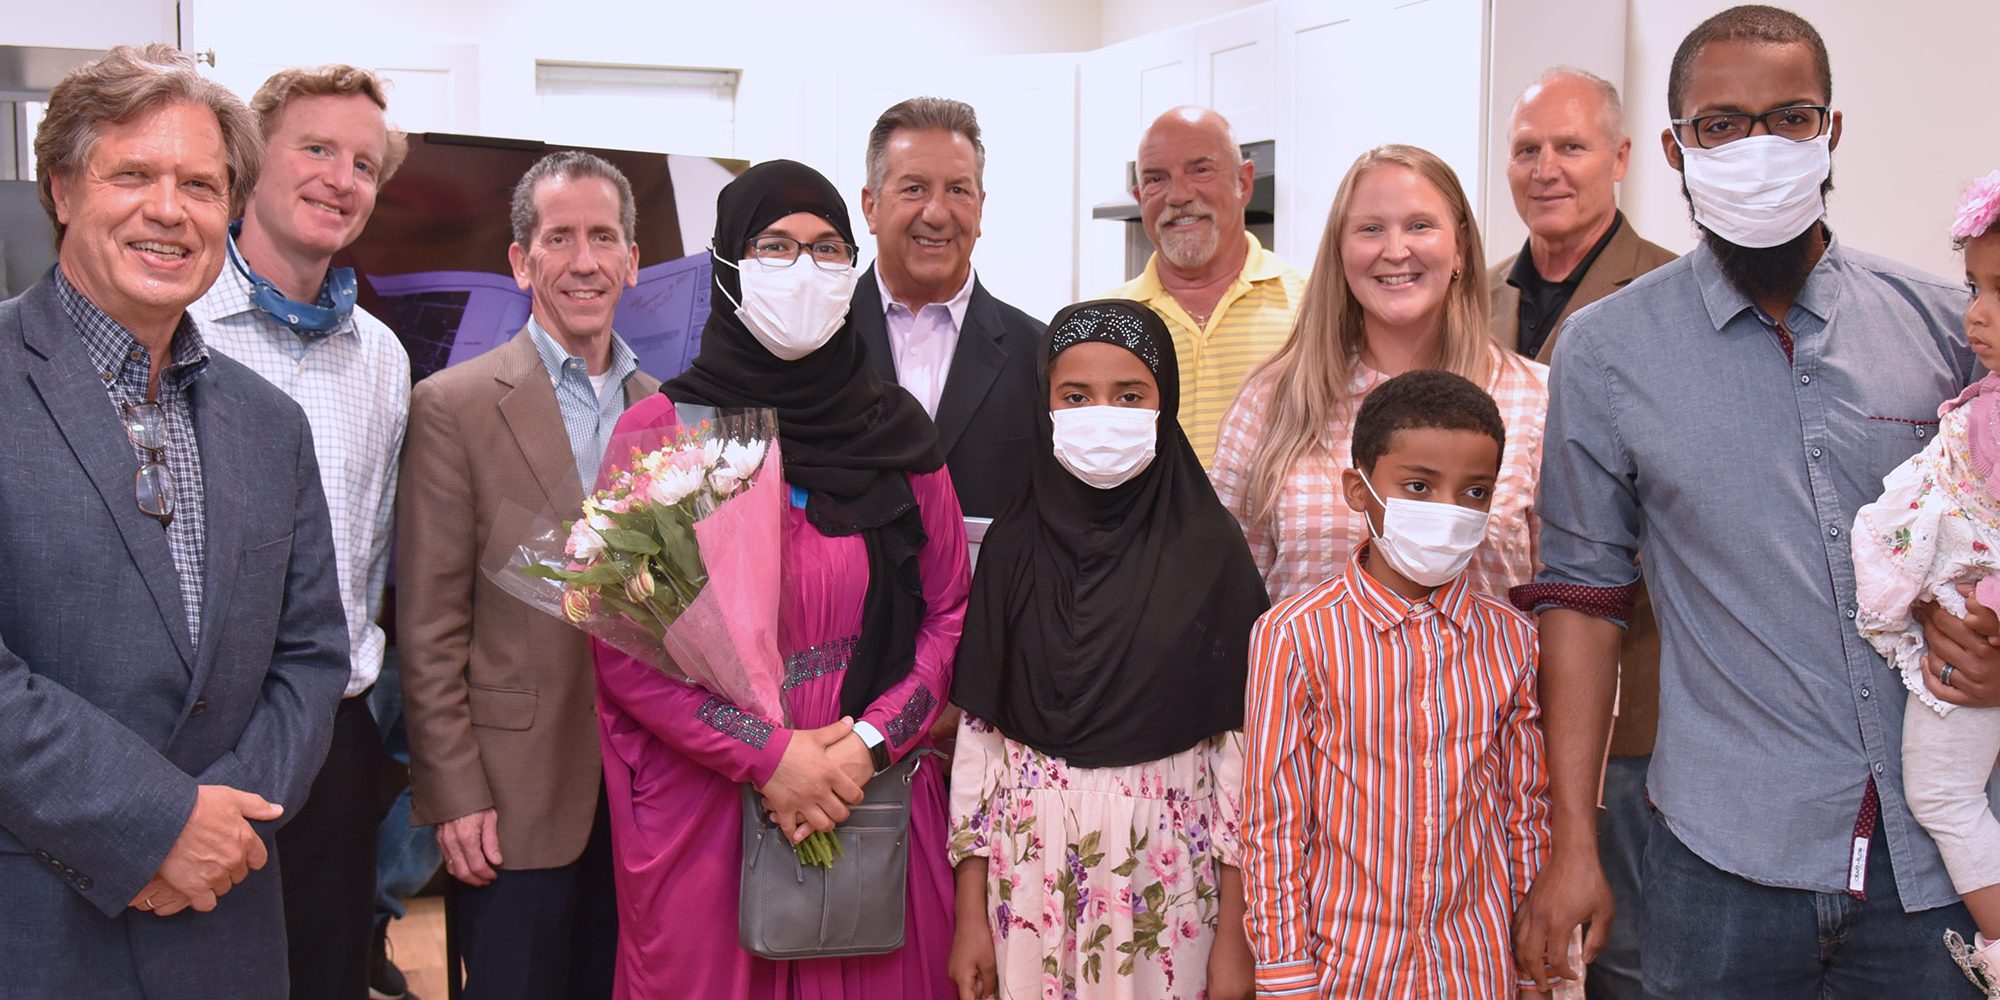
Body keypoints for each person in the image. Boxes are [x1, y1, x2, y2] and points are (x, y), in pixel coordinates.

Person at [1513, 8, 1990, 998]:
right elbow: (1580, 599)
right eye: (1722, 125)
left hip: (1934, 862)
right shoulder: (1606, 352)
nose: (1757, 147)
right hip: (1718, 860)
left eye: (1788, 117)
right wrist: (1571, 842)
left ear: (1832, 131)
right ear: (1673, 148)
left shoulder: (1942, 327)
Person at [0, 43, 349, 999]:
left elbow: (313, 653)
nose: (168, 209)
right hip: (34, 921)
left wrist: (225, 830)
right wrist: (155, 824)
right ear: (63, 190)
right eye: (133, 174)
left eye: (199, 183)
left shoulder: (270, 425)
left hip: (226, 918)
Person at [590, 158, 967, 998]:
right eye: (776, 246)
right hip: (710, 822)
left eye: (829, 249)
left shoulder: (898, 436)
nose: (806, 269)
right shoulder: (662, 434)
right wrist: (770, 757)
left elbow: (950, 612)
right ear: (727, 264)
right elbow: (625, 656)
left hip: (870, 804)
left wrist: (867, 745)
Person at [945, 298, 1269, 1000]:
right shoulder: (1011, 549)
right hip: (1028, 882)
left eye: (1129, 395)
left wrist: (1237, 937)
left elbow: (1243, 762)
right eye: (1075, 395)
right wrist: (970, 913)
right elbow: (979, 740)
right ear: (1044, 407)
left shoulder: (1212, 552)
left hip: (1169, 887)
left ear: (1166, 403)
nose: (1102, 412)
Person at [399, 150, 659, 999]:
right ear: (521, 260)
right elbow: (430, 626)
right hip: (511, 805)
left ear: (632, 259)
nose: (583, 261)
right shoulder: (454, 405)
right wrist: (454, 792)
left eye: (603, 237)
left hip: (645, 804)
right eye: (559, 238)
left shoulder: (667, 413)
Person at [186, 63, 410, 1000]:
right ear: (249, 165)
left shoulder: (385, 359)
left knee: (323, 975)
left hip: (334, 739)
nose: (339, 178)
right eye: (316, 148)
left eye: (363, 163)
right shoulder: (180, 322)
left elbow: (373, 554)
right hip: (196, 736)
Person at [1242, 370, 1549, 998]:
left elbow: (1525, 813)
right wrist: (1283, 971)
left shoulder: (1512, 639)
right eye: (1418, 486)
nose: (1448, 512)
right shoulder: (1294, 635)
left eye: (1474, 493)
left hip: (1475, 966)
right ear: (1359, 490)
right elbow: (1274, 820)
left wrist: (1529, 965)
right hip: (1342, 967)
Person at [1491, 66, 1675, 1000]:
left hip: (1627, 699)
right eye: (1528, 148)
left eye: (1571, 146)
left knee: (1621, 958)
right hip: (1484, 702)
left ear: (1621, 158)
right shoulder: (1471, 297)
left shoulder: (1673, 296)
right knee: (1505, 953)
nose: (1547, 168)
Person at [1211, 145, 1546, 604]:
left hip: (1489, 678)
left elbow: (1568, 596)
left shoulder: (1536, 400)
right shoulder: (1271, 402)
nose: (1395, 250)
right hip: (1308, 677)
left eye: (1420, 226)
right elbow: (1224, 594)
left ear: (1461, 247)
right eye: (1371, 229)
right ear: (1340, 250)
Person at [1851, 171, 2000, 995]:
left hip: (1971, 642)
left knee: (1941, 795)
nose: (1974, 312)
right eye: (1974, 286)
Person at [850, 97, 1045, 519]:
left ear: (979, 207)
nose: (937, 214)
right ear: (871, 207)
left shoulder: (1040, 355)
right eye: (914, 188)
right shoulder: (819, 342)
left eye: (958, 190)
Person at [1109, 106, 1305, 467]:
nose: (1178, 195)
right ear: (1140, 198)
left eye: (1200, 170)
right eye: (1156, 178)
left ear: (1243, 183)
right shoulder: (1106, 322)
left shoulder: (1311, 307)